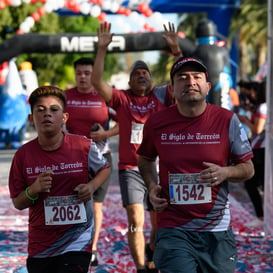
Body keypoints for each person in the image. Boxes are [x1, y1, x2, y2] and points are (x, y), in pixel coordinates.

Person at [137, 56, 254, 273]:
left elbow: (248, 168)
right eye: (182, 78)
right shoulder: (157, 123)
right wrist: (152, 186)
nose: (190, 82)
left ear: (207, 87)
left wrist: (225, 172)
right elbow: (145, 158)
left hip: (216, 230)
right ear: (172, 89)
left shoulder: (227, 120)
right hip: (173, 228)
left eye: (196, 77)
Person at [91, 21, 182, 273]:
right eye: (137, 73)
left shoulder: (162, 96)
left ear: (152, 80)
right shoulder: (122, 99)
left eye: (146, 73)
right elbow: (97, 81)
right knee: (135, 220)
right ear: (130, 81)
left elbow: (183, 80)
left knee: (157, 226)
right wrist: (102, 49)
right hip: (130, 168)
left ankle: (151, 254)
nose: (142, 75)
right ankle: (141, 268)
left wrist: (176, 51)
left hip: (158, 168)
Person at [8, 85, 111, 273]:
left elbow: (105, 168)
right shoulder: (23, 156)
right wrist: (34, 189)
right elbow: (18, 202)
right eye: (40, 110)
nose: (47, 114)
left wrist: (91, 186)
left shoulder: (83, 146)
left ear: (64, 117)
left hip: (77, 241)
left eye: (54, 110)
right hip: (41, 247)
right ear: (31, 118)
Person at [65, 57, 119, 266]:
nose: (83, 77)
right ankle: (71, 245)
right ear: (75, 74)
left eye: (87, 73)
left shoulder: (104, 96)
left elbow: (127, 121)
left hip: (100, 159)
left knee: (95, 207)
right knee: (73, 204)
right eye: (79, 73)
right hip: (72, 161)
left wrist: (107, 132)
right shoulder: (66, 97)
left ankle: (92, 248)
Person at [238, 80, 266, 227]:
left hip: (261, 151)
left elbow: (258, 130)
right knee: (254, 184)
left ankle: (262, 216)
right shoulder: (259, 107)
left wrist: (245, 120)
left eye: (253, 91)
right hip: (257, 149)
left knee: (254, 183)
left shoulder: (263, 108)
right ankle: (261, 216)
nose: (250, 95)